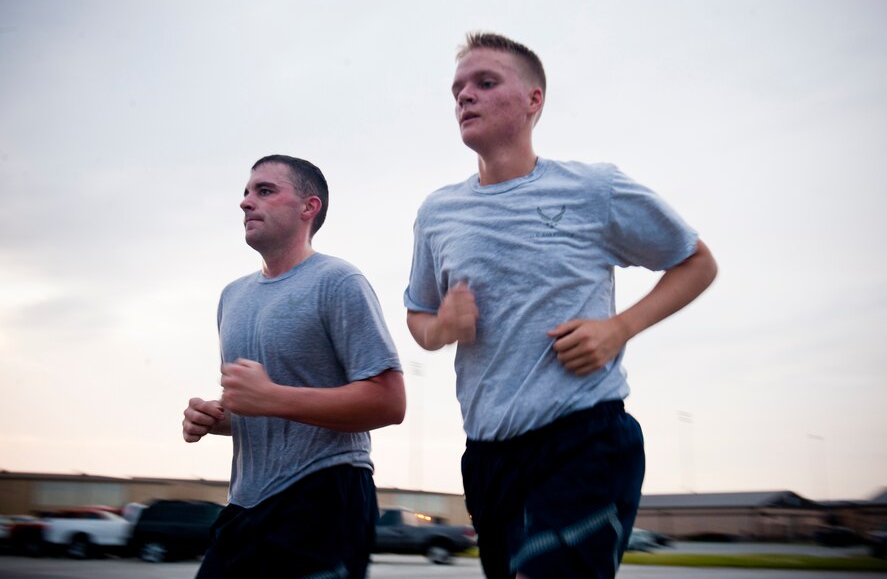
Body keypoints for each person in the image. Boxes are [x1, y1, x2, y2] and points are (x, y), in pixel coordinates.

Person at [404, 33, 718, 579]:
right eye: (457, 89)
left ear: (533, 100)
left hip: (584, 440)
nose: (464, 97)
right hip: (488, 457)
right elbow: (418, 317)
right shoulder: (438, 213)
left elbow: (696, 262)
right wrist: (441, 329)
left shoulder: (594, 189)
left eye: (484, 83)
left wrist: (618, 328)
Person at [183, 154, 406, 579]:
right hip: (245, 505)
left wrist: (271, 397)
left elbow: (390, 402)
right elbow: (266, 409)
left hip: (323, 495)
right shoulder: (232, 297)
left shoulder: (339, 282)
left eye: (265, 191)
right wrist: (217, 417)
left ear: (309, 207)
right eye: (246, 193)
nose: (247, 202)